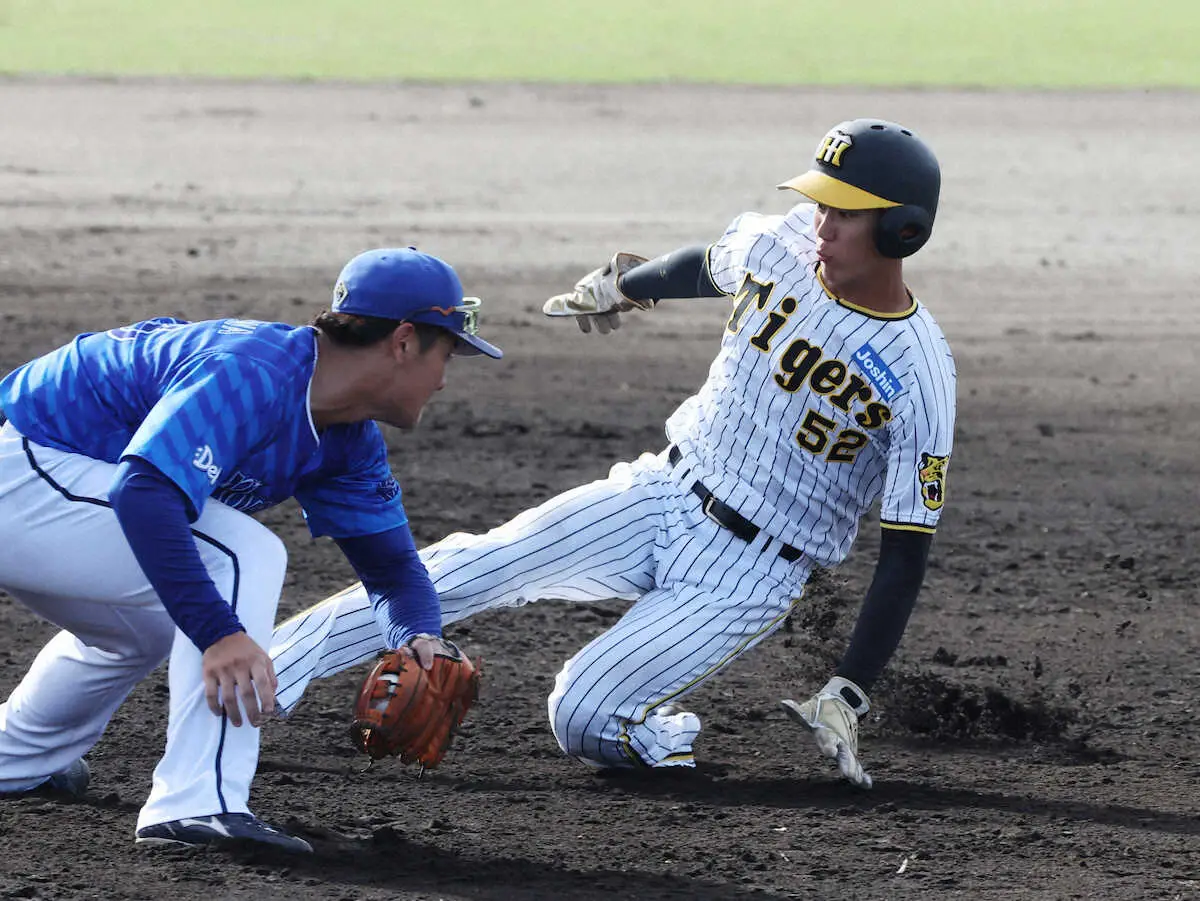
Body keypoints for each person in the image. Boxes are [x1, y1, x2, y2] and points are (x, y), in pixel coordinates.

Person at [269, 118, 956, 788]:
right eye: (820, 203)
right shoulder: (781, 245)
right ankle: (260, 677)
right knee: (459, 566)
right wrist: (626, 285)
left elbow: (906, 552)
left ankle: (667, 732)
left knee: (583, 715)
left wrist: (849, 688)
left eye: (846, 213)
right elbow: (705, 266)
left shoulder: (920, 372)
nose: (823, 225)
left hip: (747, 571)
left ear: (902, 230)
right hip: (658, 492)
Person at [0, 247, 502, 851]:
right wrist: (221, 634)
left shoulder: (349, 439)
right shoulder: (254, 371)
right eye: (446, 351)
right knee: (240, 553)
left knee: (145, 624)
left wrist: (419, 635)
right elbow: (142, 494)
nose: (445, 377)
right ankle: (198, 803)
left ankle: (15, 756)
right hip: (21, 461)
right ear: (402, 341)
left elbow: (393, 570)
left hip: (44, 489)